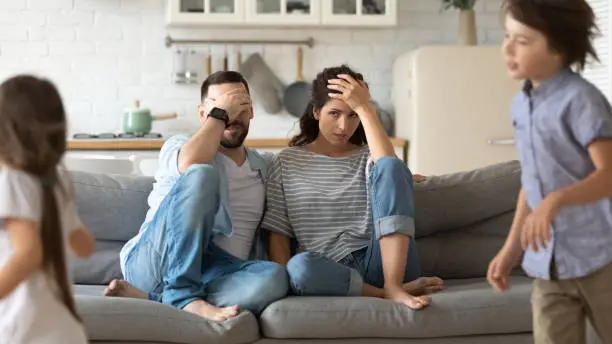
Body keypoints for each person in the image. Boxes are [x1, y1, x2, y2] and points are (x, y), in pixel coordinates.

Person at [106, 71, 289, 322]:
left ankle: (158, 298)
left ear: (252, 111)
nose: (232, 115)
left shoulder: (265, 165)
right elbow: (191, 162)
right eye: (222, 106)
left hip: (216, 271)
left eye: (240, 105)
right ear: (204, 114)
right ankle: (182, 295)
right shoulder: (180, 145)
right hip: (156, 260)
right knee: (201, 174)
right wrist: (221, 115)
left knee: (275, 278)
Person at [263, 65, 443, 310]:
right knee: (298, 268)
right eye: (334, 114)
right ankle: (383, 293)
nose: (343, 127)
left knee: (392, 167)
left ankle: (393, 285)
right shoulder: (285, 162)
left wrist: (364, 106)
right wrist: (283, 287)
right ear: (316, 112)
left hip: (383, 260)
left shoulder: (370, 157)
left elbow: (388, 166)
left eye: (353, 115)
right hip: (329, 271)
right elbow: (279, 234)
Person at [487, 1, 612, 343]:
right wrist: (511, 249)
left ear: (560, 47)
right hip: (548, 267)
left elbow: (609, 174)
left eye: (523, 40)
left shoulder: (582, 100)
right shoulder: (520, 105)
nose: (508, 48)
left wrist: (556, 200)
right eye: (507, 36)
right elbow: (532, 182)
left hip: (601, 259)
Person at [0, 75, 96, 343]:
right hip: (64, 328)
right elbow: (84, 245)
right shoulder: (58, 179)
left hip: (23, 327)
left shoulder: (13, 181)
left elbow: (29, 252)